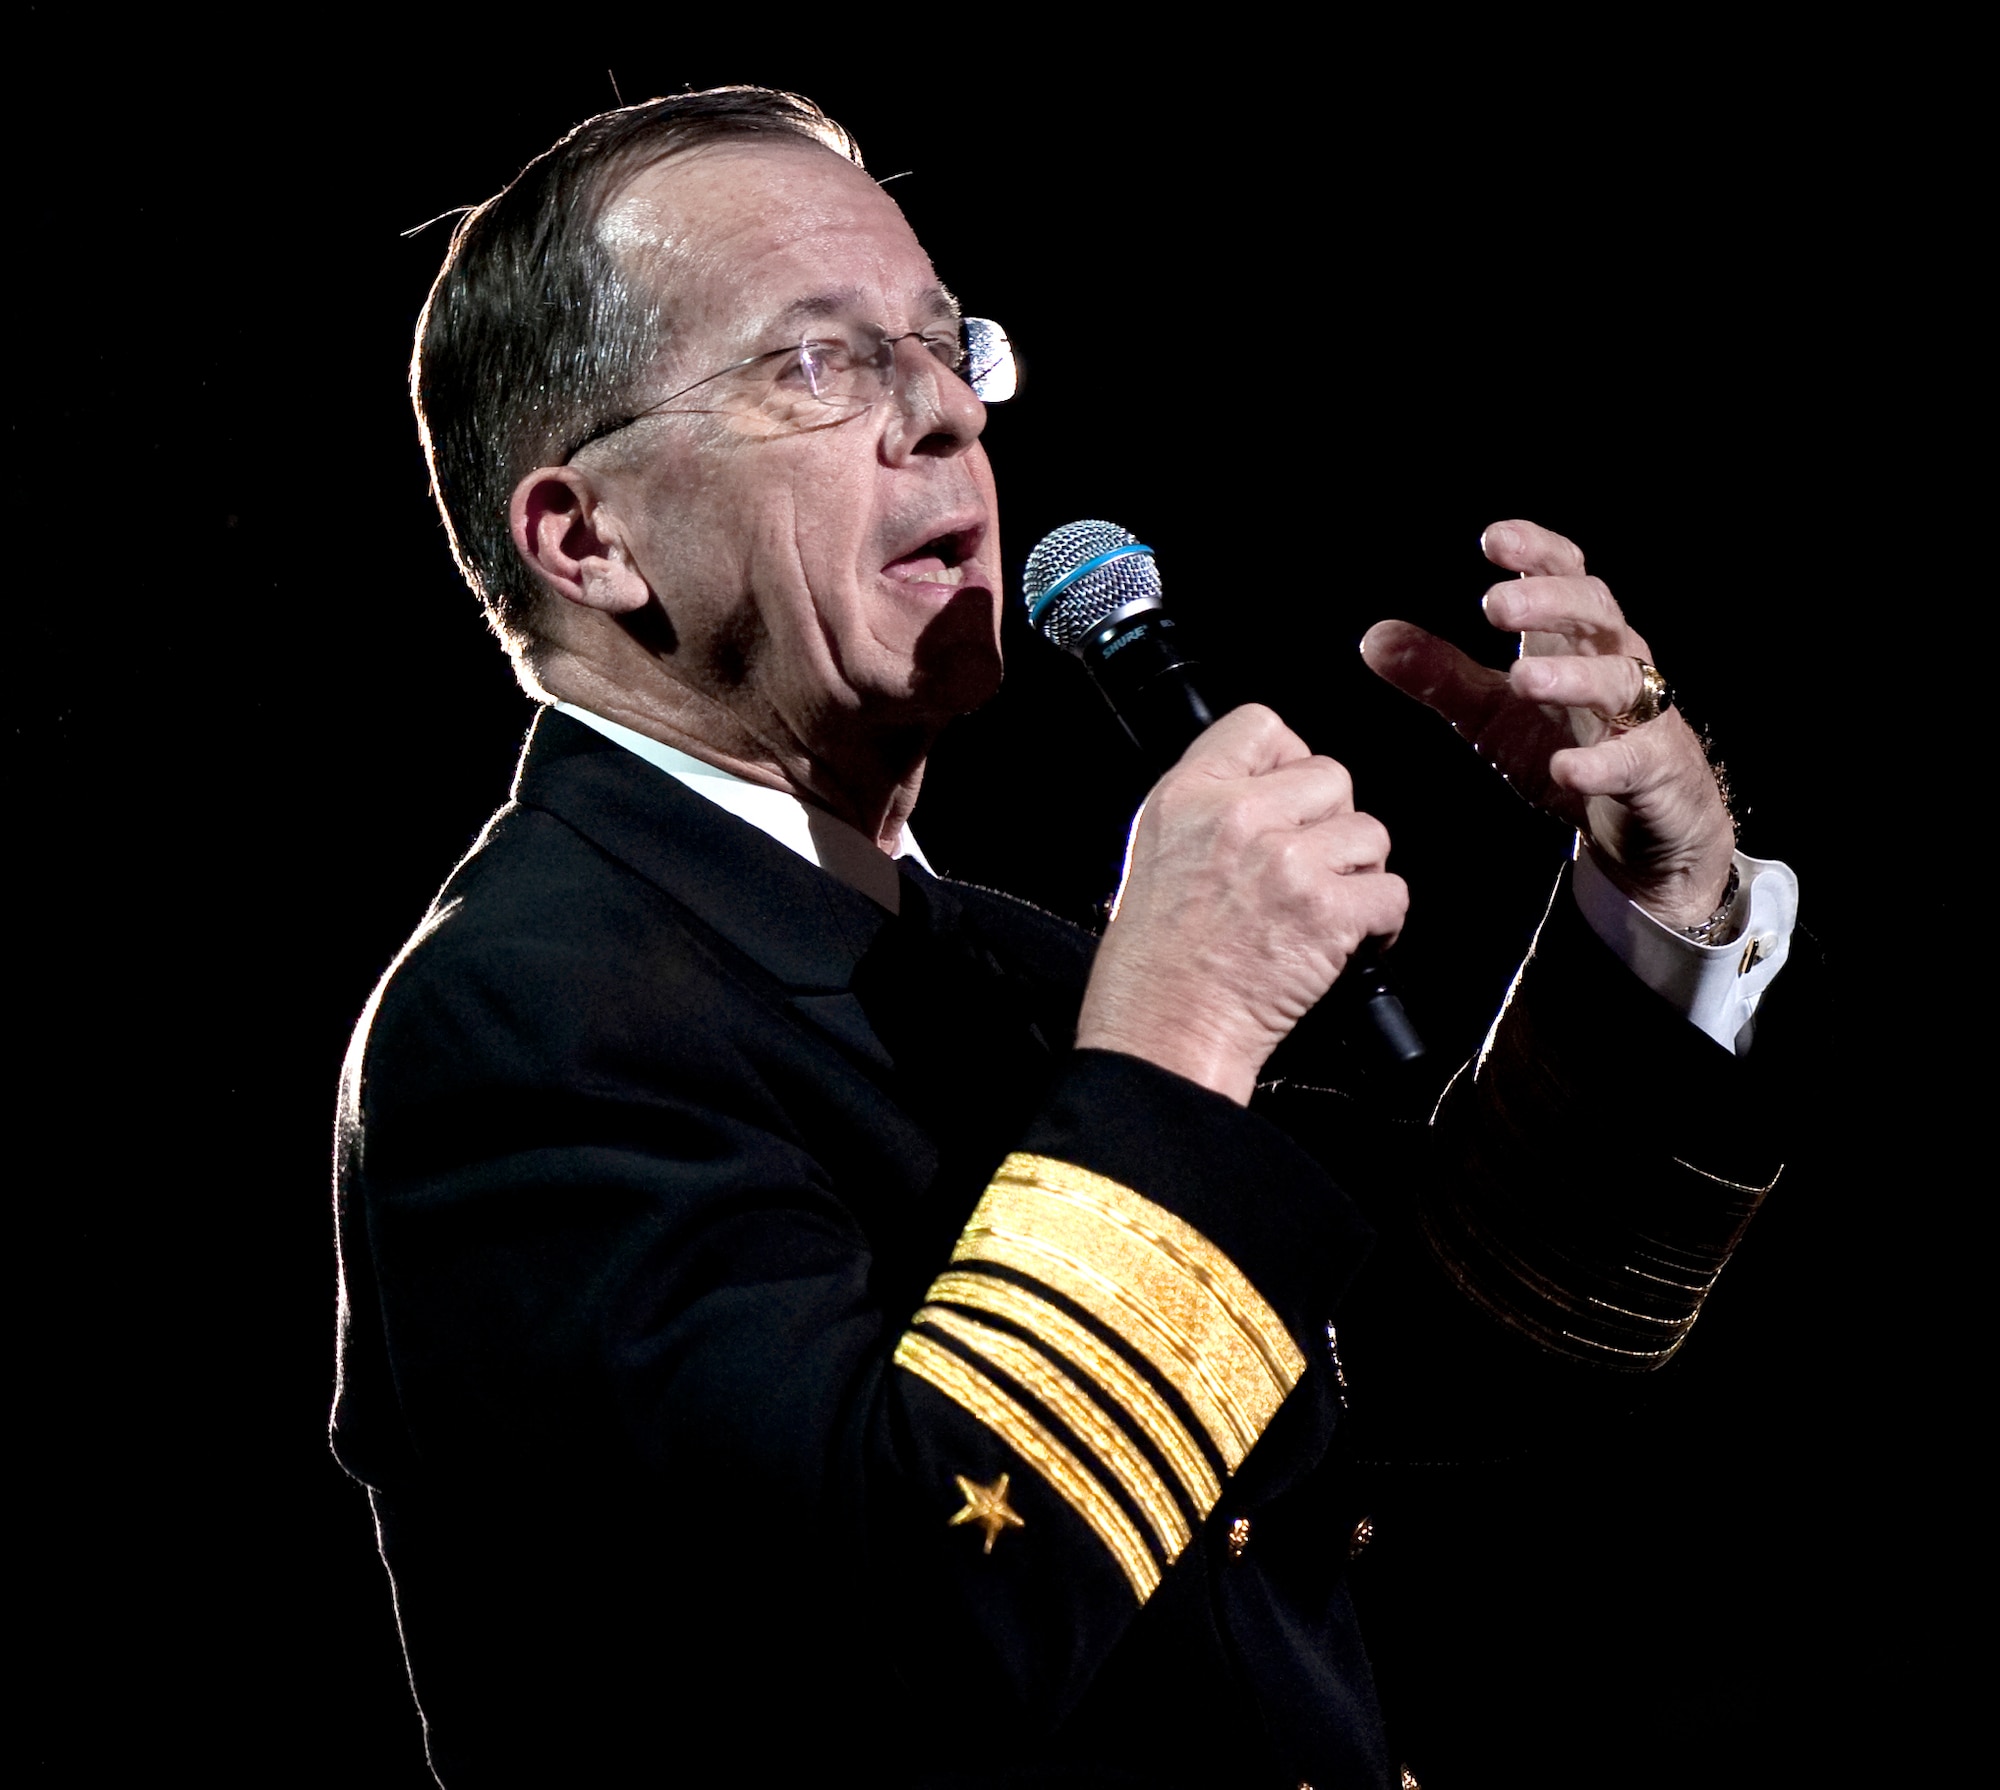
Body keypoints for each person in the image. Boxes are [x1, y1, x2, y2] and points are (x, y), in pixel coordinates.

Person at [331, 88, 1805, 1788]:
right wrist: (1176, 1042)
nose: (943, 412)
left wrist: (1663, 906)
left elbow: (1472, 1357)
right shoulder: (517, 1026)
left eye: (944, 343)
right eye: (814, 366)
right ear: (586, 538)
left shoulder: (1005, 970)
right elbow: (878, 1664)